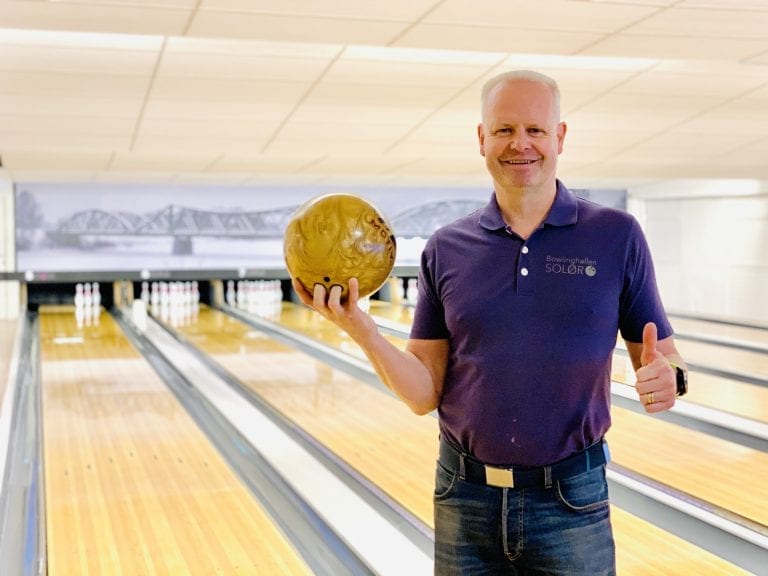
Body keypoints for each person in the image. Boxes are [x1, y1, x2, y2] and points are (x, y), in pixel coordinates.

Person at [292, 69, 687, 575]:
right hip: (465, 498)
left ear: (559, 137)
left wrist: (668, 379)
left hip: (572, 500)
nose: (519, 144)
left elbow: (665, 359)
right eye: (503, 130)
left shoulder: (616, 236)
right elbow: (422, 394)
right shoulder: (446, 248)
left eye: (535, 130)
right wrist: (361, 328)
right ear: (482, 139)